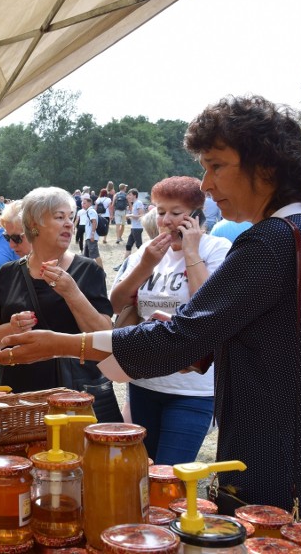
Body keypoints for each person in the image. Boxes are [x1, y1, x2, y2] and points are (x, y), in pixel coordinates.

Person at [0, 95, 301, 531]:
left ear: (265, 165)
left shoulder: (273, 241)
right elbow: (245, 340)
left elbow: (181, 340)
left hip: (290, 466)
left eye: (215, 165)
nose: (205, 185)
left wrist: (63, 345)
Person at [110, 176, 231, 465]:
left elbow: (209, 307)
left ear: (196, 214)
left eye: (176, 213)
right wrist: (146, 264)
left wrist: (190, 250)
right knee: (143, 470)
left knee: (170, 476)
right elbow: (115, 303)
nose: (166, 220)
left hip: (192, 390)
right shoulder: (148, 251)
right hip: (144, 381)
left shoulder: (217, 248)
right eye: (160, 211)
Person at [0, 187, 121, 424]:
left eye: (70, 216)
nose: (69, 224)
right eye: (59, 217)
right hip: (22, 397)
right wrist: (11, 328)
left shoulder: (88, 270)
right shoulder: (7, 273)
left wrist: (72, 292)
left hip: (74, 396)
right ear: (34, 225)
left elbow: (104, 335)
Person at [115, 188, 144, 270]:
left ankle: (142, 264)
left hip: (137, 228)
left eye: (130, 195)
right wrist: (130, 214)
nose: (128, 196)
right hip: (134, 228)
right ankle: (123, 265)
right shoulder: (135, 203)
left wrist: (130, 216)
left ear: (135, 195)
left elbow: (141, 215)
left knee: (139, 247)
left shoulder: (138, 203)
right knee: (128, 246)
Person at [81, 195, 104, 268]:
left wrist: (92, 234)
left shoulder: (91, 211)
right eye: (82, 203)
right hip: (88, 236)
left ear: (89, 203)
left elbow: (94, 222)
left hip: (91, 237)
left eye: (84, 203)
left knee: (95, 255)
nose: (82, 204)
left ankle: (101, 271)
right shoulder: (89, 211)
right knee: (86, 256)